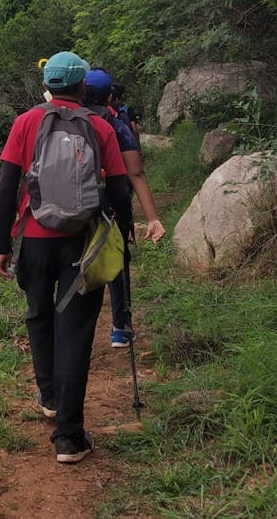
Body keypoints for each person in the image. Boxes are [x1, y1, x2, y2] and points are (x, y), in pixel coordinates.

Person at [0, 51, 132, 464]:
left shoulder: (25, 122)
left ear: (49, 85)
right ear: (82, 87)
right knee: (74, 330)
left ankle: (49, 396)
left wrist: (3, 245)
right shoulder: (100, 126)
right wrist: (123, 238)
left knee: (38, 313)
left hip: (33, 240)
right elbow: (121, 190)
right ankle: (69, 437)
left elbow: (6, 188)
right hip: (81, 242)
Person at [83, 69, 166, 347]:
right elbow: (136, 173)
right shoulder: (116, 124)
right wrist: (151, 217)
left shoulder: (60, 120)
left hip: (70, 205)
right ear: (110, 96)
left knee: (77, 260)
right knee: (116, 258)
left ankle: (75, 330)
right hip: (110, 203)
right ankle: (120, 328)